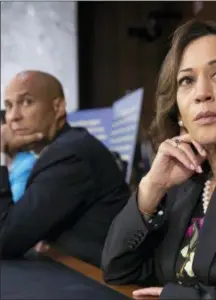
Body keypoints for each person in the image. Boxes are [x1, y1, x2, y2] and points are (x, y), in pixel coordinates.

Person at [101, 20, 216, 299]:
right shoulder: (187, 179)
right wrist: (152, 188)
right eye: (187, 81)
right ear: (178, 110)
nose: (202, 94)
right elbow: (118, 271)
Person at [0, 70, 130, 266]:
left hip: (99, 282)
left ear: (58, 107)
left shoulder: (70, 155)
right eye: (8, 106)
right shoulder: (65, 147)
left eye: (26, 102)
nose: (13, 117)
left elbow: (4, 238)